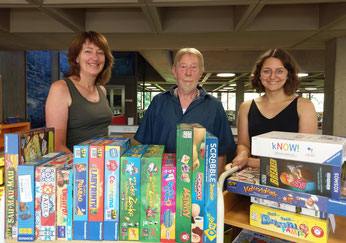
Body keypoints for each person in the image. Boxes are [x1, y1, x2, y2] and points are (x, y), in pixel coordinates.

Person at [134, 47, 236, 178]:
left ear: (201, 73)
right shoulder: (158, 102)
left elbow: (221, 152)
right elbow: (143, 146)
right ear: (174, 72)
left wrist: (213, 188)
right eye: (183, 67)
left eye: (194, 67)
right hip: (160, 182)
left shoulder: (214, 106)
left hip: (198, 185)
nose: (188, 73)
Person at [229, 48, 318, 170]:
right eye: (266, 71)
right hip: (252, 177)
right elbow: (243, 144)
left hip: (289, 178)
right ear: (259, 75)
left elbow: (305, 154)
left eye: (279, 71)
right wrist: (243, 154)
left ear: (288, 74)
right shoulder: (247, 107)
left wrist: (250, 161)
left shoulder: (304, 106)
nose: (272, 76)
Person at [45, 31, 114, 153]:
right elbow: (56, 146)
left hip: (104, 165)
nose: (95, 57)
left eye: (100, 52)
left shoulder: (101, 90)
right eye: (88, 51)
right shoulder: (61, 89)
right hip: (78, 167)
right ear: (77, 57)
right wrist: (84, 168)